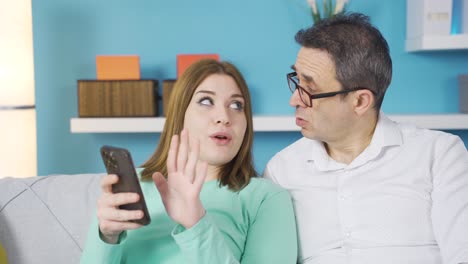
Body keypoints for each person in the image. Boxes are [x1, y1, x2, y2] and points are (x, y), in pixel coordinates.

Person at [264, 12, 468, 264]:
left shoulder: (439, 154)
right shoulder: (281, 170)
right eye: (297, 82)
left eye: (310, 89)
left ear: (360, 101)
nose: (294, 100)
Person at [80, 59, 297, 264]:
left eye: (237, 105)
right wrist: (107, 237)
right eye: (206, 101)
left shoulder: (264, 198)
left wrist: (196, 223)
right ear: (180, 114)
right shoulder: (134, 185)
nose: (224, 116)